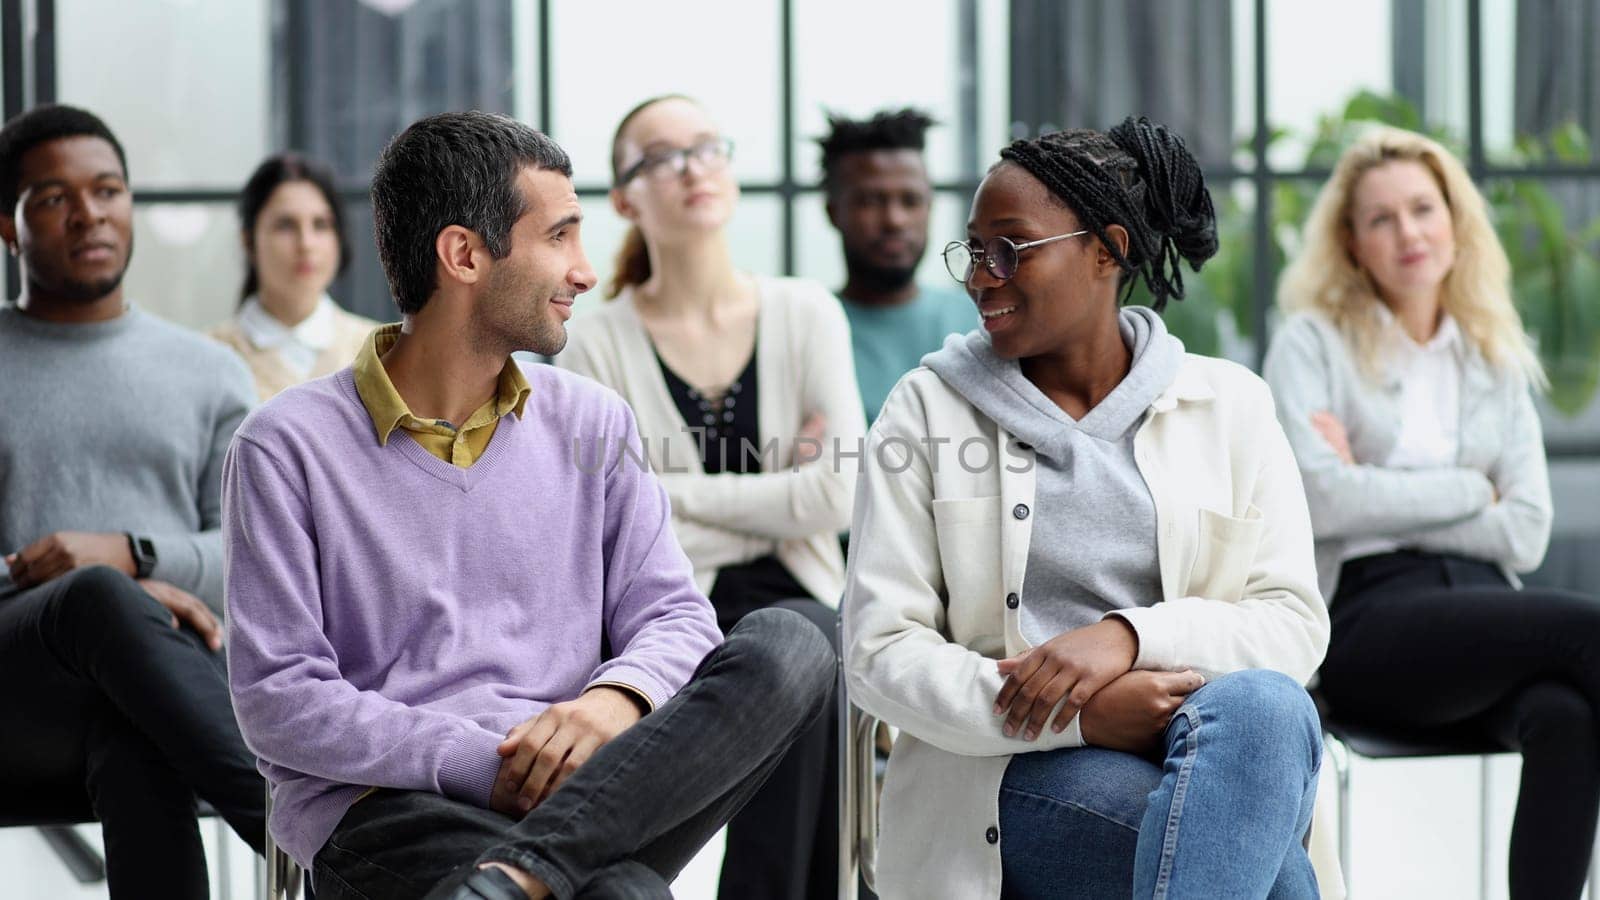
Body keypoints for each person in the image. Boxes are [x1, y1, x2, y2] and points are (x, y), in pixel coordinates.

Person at [223, 110, 835, 900]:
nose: (584, 271)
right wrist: (489, 763)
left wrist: (613, 703)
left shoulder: (594, 419)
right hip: (393, 814)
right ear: (464, 254)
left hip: (587, 789)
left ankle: (514, 878)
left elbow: (679, 618)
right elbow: (280, 699)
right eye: (560, 238)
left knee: (798, 640)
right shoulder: (286, 446)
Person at [843, 118, 1330, 899]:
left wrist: (1127, 639)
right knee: (1268, 873)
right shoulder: (925, 411)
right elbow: (878, 652)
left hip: (1205, 738)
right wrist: (1082, 717)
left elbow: (1293, 625)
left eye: (1009, 248)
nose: (979, 276)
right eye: (972, 251)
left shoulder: (1231, 405)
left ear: (1106, 249)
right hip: (1011, 772)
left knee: (1269, 703)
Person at [1264, 125, 1599, 899]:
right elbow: (1320, 499)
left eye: (1423, 208)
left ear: (1456, 220)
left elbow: (1526, 528)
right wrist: (1466, 488)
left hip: (1489, 612)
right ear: (1351, 243)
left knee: (1566, 715)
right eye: (1381, 218)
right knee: (1589, 631)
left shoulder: (1493, 352)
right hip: (1372, 619)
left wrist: (1374, 485)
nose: (1408, 232)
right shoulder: (1311, 343)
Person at [554, 94, 863, 900]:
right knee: (804, 660)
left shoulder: (805, 312)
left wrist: (672, 495)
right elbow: (606, 524)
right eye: (662, 156)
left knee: (811, 649)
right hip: (661, 617)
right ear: (624, 197)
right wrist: (773, 492)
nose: (692, 167)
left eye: (706, 147)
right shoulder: (595, 339)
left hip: (803, 598)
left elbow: (839, 491)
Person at [0, 103, 265, 899]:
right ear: (8, 227)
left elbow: (254, 556)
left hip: (161, 687)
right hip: (14, 690)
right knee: (96, 600)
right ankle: (334, 848)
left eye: (108, 190)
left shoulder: (209, 373)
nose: (89, 214)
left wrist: (133, 557)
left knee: (138, 721)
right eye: (53, 198)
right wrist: (82, 583)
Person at [817, 107, 973, 424]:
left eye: (911, 201)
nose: (894, 220)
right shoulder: (809, 326)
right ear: (834, 212)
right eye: (871, 201)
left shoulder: (980, 322)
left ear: (929, 207)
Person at [210, 153, 378, 401]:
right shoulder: (209, 355)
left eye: (320, 225)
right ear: (249, 241)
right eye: (286, 225)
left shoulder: (379, 351)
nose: (306, 244)